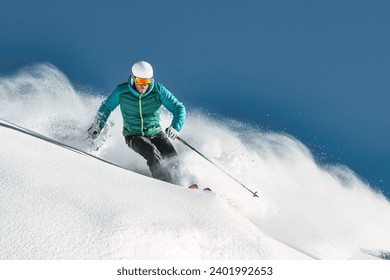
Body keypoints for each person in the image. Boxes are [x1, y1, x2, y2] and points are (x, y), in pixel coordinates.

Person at [88, 61, 186, 185]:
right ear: (133, 79)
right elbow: (106, 107)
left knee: (173, 158)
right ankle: (166, 184)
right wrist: (97, 126)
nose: (144, 86)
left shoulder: (158, 90)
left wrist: (175, 126)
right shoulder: (122, 91)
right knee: (152, 154)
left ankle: (186, 184)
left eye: (147, 82)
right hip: (133, 135)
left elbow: (178, 108)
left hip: (156, 132)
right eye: (140, 82)